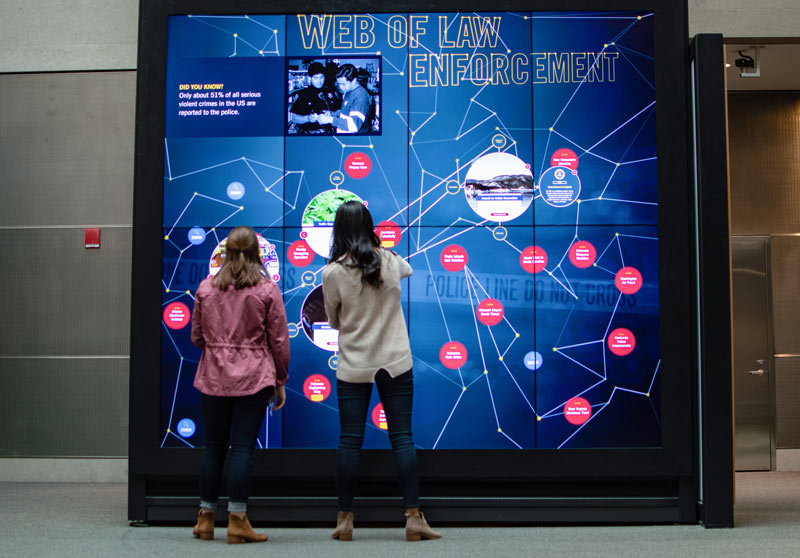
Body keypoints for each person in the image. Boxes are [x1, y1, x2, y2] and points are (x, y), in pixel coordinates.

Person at [322, 201, 442, 542]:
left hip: (354, 363)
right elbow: (409, 269)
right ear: (369, 225)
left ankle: (345, 520)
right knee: (403, 439)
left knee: (349, 443)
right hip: (395, 360)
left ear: (339, 230)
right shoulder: (389, 261)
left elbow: (333, 320)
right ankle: (414, 517)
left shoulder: (332, 272)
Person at [190, 226, 290, 544]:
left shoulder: (206, 288)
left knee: (213, 448)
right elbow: (279, 342)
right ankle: (236, 521)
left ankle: (205, 520)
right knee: (242, 449)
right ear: (257, 253)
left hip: (213, 377)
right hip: (254, 378)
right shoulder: (266, 290)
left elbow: (196, 337)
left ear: (226, 252)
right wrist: (281, 380)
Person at [317, 64, 373, 134]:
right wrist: (333, 113)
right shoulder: (347, 91)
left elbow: (354, 125)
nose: (340, 87)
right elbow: (347, 112)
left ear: (354, 80)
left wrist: (330, 120)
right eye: (339, 84)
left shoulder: (361, 96)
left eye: (343, 84)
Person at [289, 62, 339, 134]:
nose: (319, 81)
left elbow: (340, 110)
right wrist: (308, 118)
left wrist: (332, 113)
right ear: (310, 78)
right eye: (316, 78)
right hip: (310, 132)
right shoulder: (302, 94)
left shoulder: (331, 92)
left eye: (321, 77)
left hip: (329, 132)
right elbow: (294, 118)